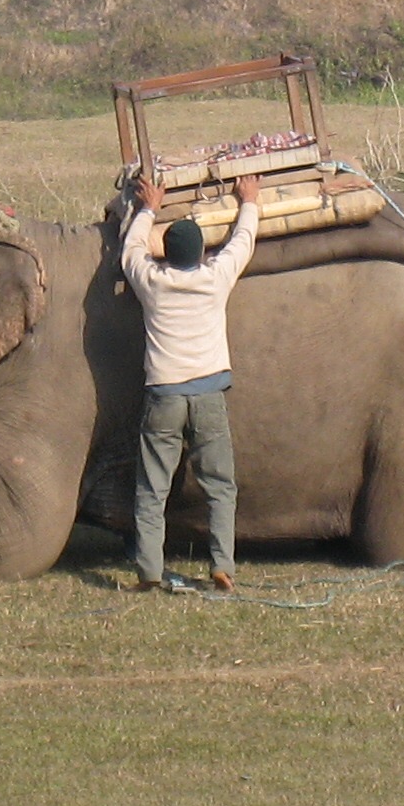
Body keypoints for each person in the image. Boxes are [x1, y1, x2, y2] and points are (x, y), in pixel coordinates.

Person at [121, 172, 261, 593]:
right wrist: (248, 200)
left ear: (164, 252)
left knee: (152, 489)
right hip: (208, 395)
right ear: (201, 252)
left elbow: (130, 249)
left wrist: (149, 207)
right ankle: (221, 566)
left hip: (163, 395)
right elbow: (242, 243)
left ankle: (149, 571)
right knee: (219, 485)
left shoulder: (151, 281)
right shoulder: (215, 279)